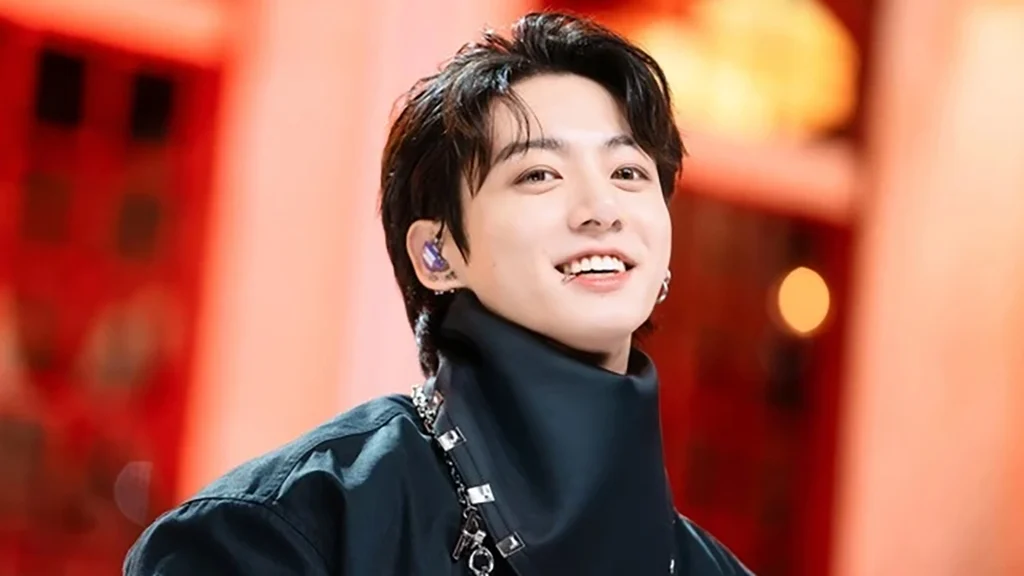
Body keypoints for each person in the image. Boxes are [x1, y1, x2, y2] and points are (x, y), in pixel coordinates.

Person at [124, 11, 753, 576]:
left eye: (628, 172)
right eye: (540, 174)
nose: (602, 209)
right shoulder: (281, 531)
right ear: (437, 253)